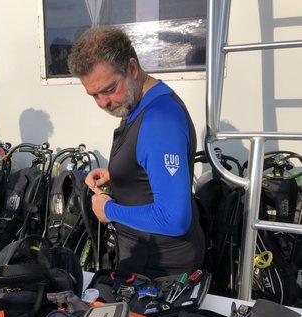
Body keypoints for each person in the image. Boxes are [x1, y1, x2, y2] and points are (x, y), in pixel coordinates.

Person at [67, 27, 204, 277]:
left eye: (109, 89)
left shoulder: (159, 120)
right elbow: (150, 167)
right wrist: (119, 173)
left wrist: (108, 211)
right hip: (143, 256)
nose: (103, 103)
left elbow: (174, 218)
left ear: (132, 68)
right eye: (93, 95)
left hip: (162, 269)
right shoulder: (138, 104)